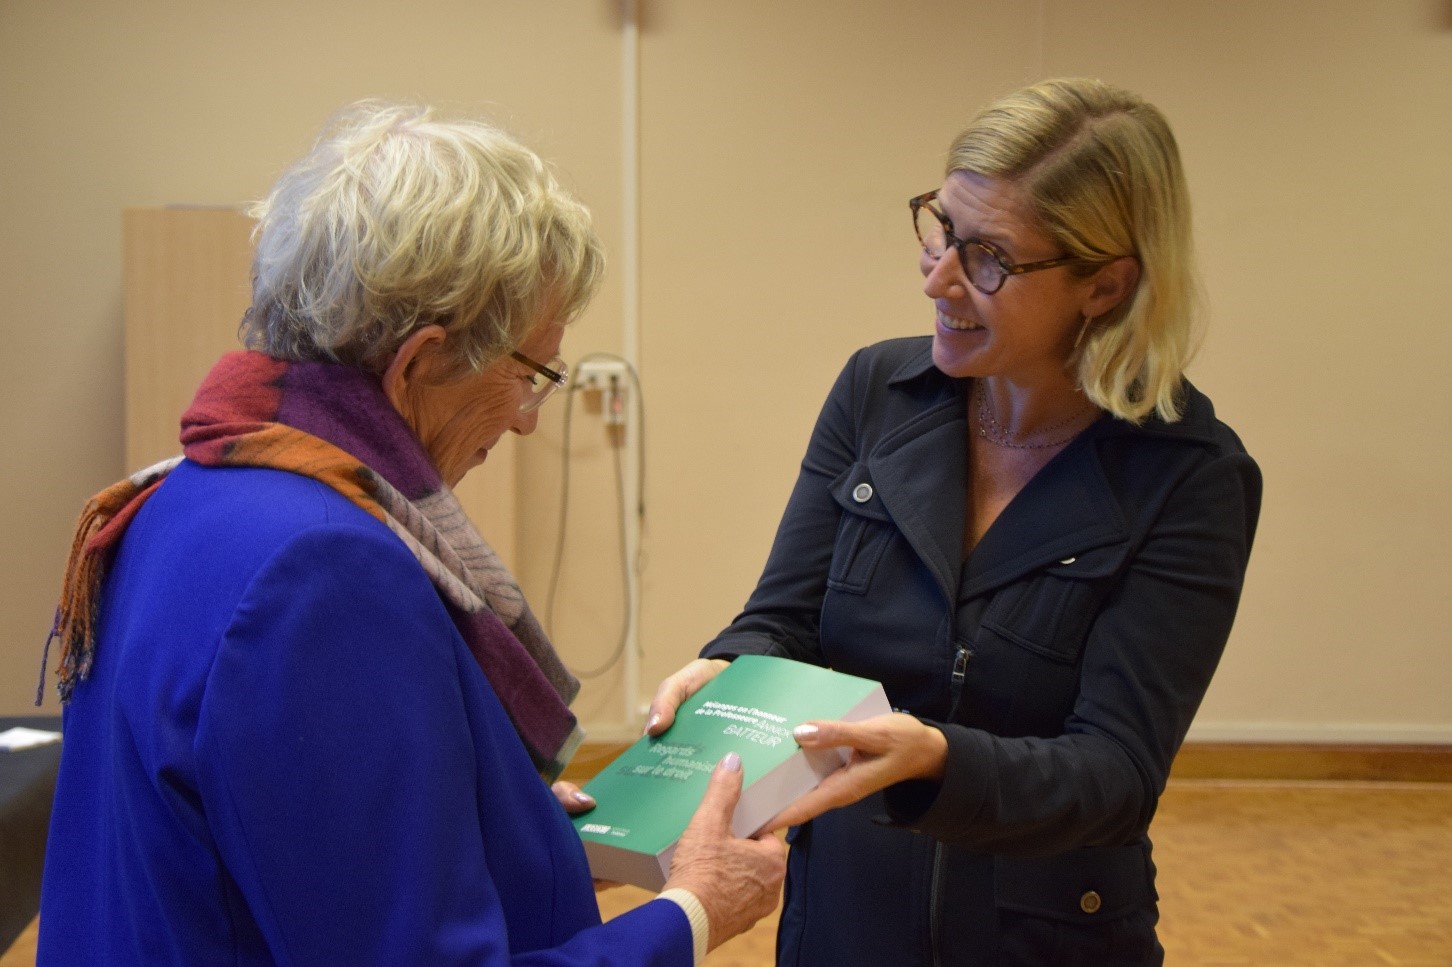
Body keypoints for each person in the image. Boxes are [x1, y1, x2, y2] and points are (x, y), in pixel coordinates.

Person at [37, 101, 783, 966]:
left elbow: (289, 860)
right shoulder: (326, 569)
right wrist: (692, 910)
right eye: (532, 373)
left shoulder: (183, 491)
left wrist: (518, 845)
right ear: (422, 360)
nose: (530, 421)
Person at [644, 78, 1262, 966]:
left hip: (1043, 937)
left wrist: (936, 758)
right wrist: (729, 669)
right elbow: (785, 619)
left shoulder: (1191, 477)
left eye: (990, 258)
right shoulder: (875, 393)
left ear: (1105, 283)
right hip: (840, 922)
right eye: (941, 229)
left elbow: (1116, 775)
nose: (938, 278)